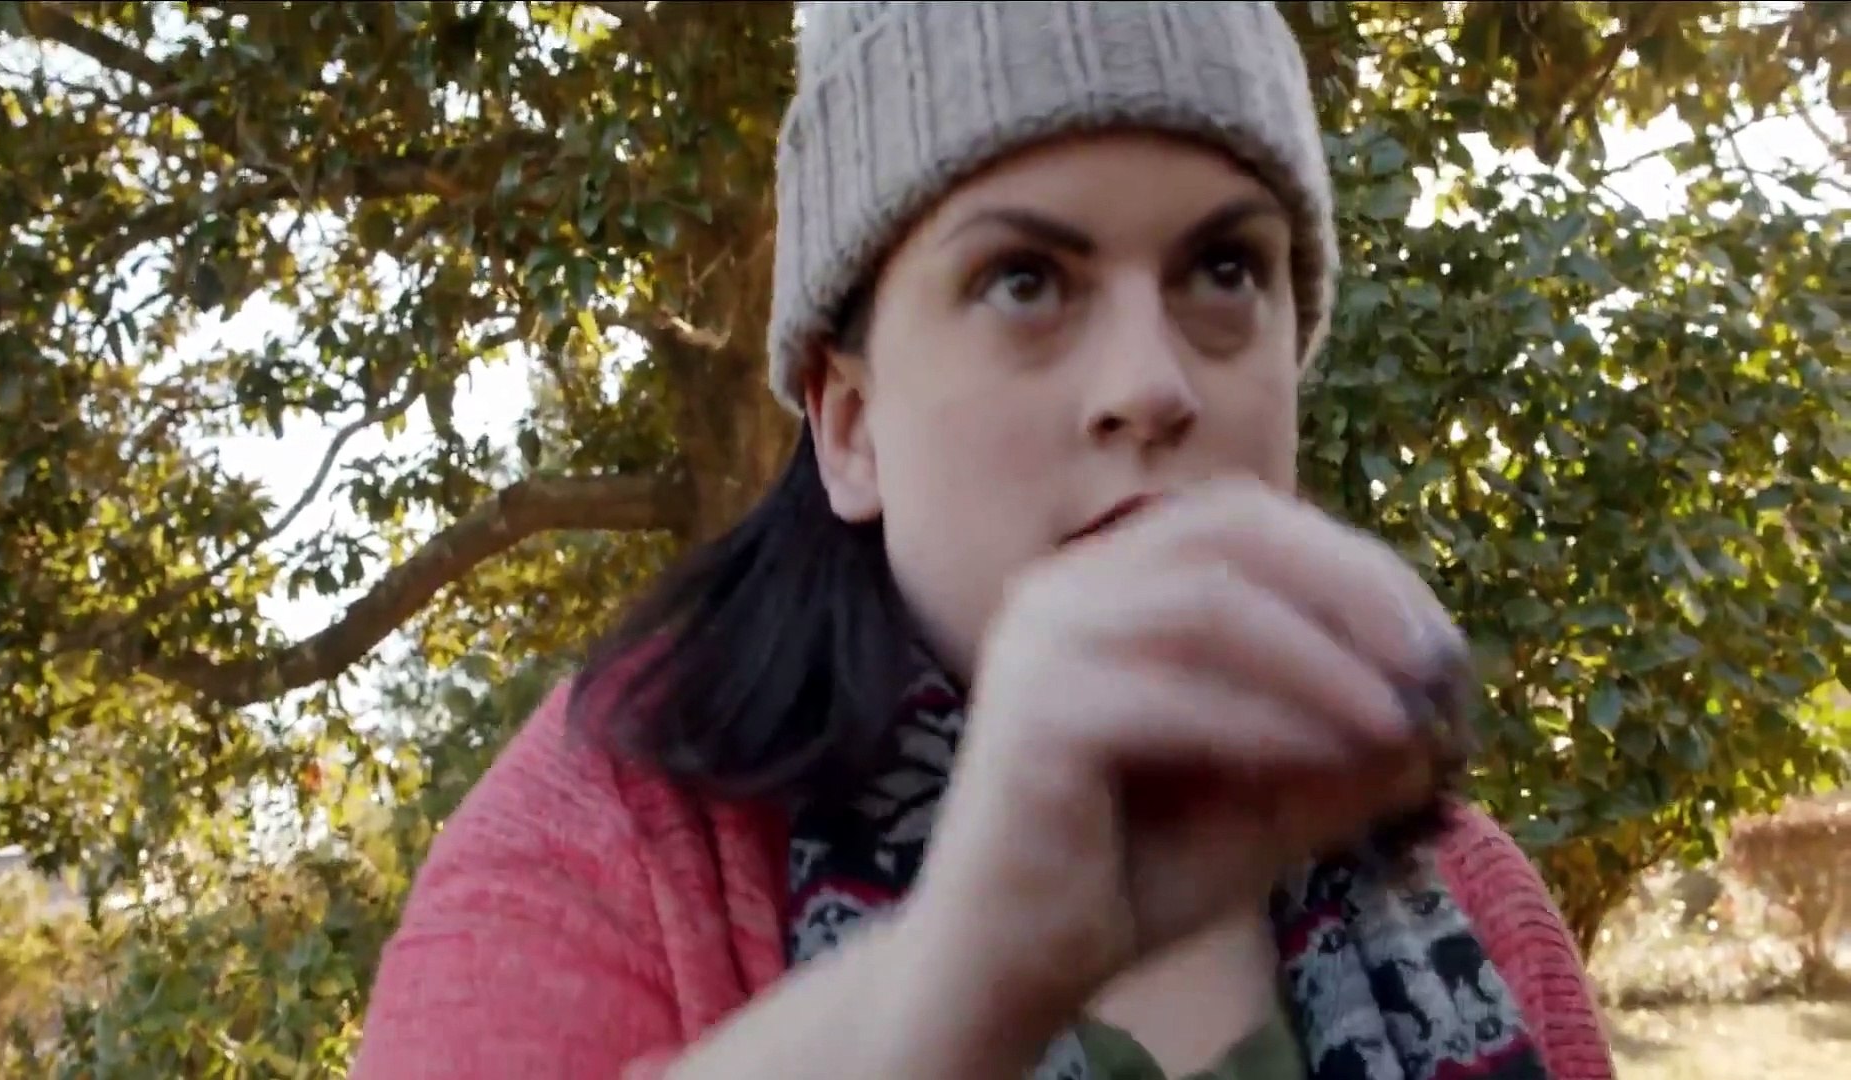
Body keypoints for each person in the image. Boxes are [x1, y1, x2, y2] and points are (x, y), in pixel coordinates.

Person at [354, 3, 1615, 1078]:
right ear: (851, 428)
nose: (1152, 382)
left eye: (1226, 270)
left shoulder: (1470, 898)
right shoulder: (603, 853)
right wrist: (950, 985)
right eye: (1026, 280)